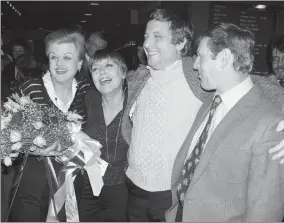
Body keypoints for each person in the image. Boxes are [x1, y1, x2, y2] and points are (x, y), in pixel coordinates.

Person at [121, 8, 284, 222]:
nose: (147, 44)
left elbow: (258, 83)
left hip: (168, 197)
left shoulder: (194, 74)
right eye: (146, 37)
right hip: (138, 191)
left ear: (180, 43)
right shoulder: (141, 76)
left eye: (157, 37)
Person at [166, 22, 284, 222]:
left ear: (224, 59)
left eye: (201, 56)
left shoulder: (270, 125)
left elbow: (265, 213)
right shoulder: (210, 100)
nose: (195, 65)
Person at [6, 29, 90, 222]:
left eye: (67, 58)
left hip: (74, 187)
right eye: (54, 57)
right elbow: (7, 137)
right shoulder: (29, 90)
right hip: (32, 187)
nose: (59, 64)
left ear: (79, 64)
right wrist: (31, 147)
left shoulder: (87, 92)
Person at [78, 49, 129, 221]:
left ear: (123, 72)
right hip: (89, 186)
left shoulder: (135, 103)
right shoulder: (88, 99)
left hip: (125, 190)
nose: (102, 72)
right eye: (95, 68)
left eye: (109, 65)